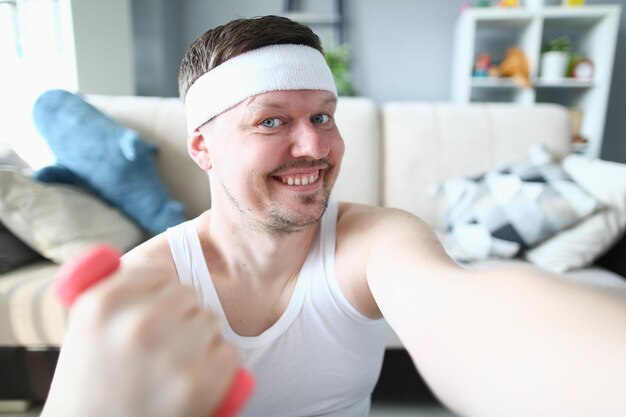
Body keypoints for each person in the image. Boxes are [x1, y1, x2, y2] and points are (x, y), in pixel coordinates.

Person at [42, 15, 626, 417]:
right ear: (203, 148)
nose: (315, 148)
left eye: (322, 117)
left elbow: (465, 317)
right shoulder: (151, 279)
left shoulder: (375, 240)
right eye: (271, 121)